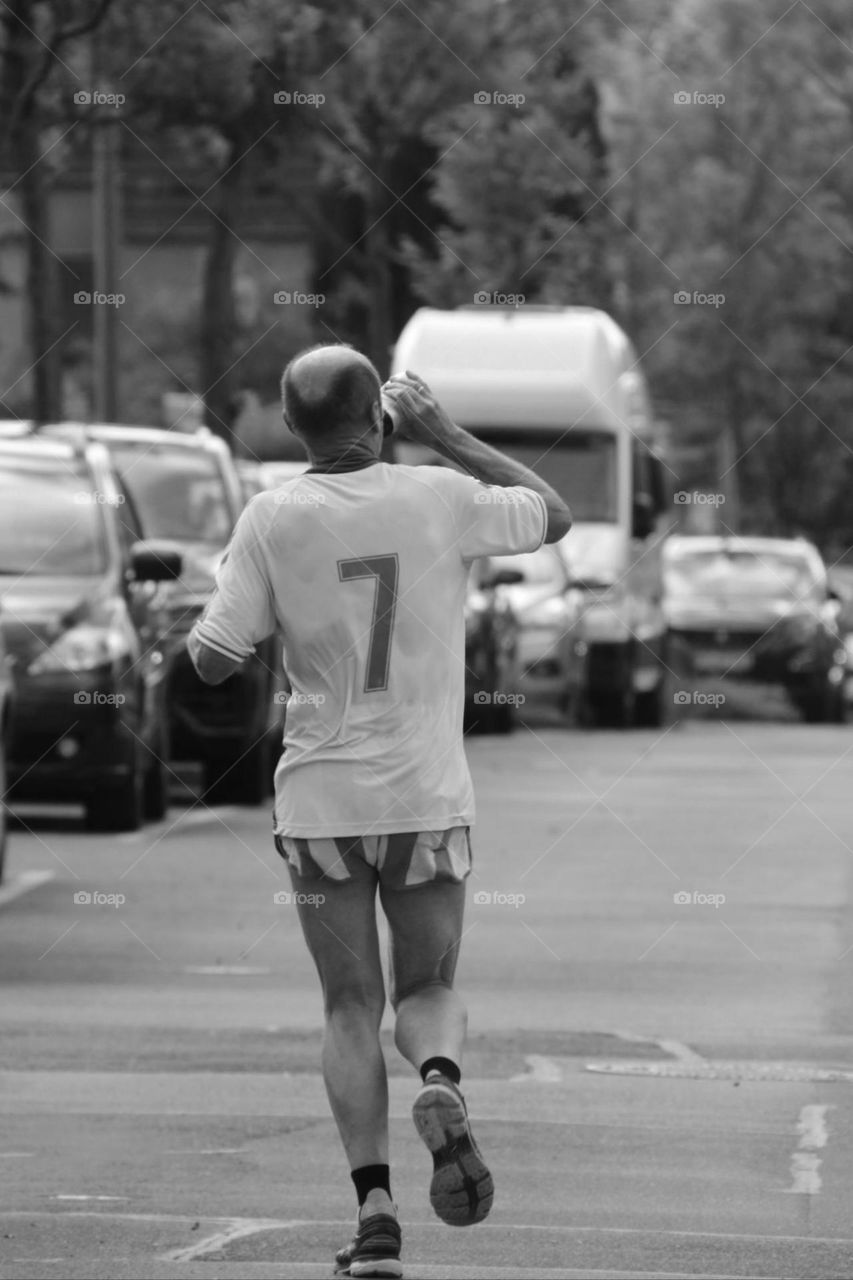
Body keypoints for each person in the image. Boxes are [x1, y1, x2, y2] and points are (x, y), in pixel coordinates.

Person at [187, 344, 571, 1279]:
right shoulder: (440, 496)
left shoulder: (272, 517)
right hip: (425, 801)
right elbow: (551, 515)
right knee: (429, 989)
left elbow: (211, 658)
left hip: (321, 803)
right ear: (382, 420)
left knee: (347, 1006)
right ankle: (439, 1080)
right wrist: (446, 434)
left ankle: (375, 1222)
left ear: (291, 425)